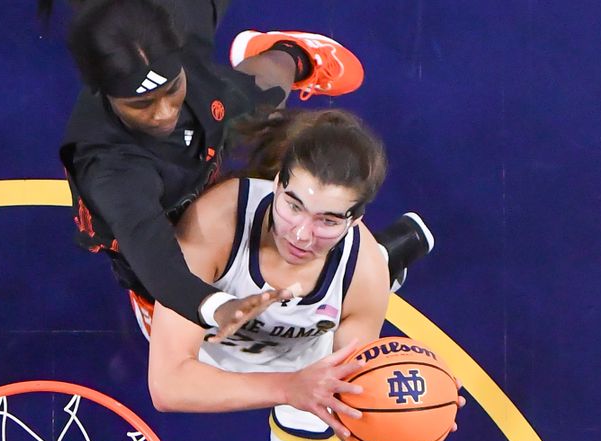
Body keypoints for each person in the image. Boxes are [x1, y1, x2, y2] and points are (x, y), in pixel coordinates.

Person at [146, 109, 456, 441]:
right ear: (276, 185)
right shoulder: (217, 222)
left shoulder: (362, 275)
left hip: (305, 362)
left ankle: (384, 258)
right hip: (204, 343)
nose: (301, 234)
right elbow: (169, 383)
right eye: (293, 205)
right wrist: (287, 389)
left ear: (356, 219)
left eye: (328, 220)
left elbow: (353, 397)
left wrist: (417, 404)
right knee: (149, 267)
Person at [51, 0, 432, 343]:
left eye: (171, 89)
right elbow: (153, 257)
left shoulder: (169, 24)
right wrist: (214, 306)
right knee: (221, 339)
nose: (164, 112)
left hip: (209, 123)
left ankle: (293, 53)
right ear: (106, 92)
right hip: (167, 234)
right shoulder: (111, 167)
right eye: (143, 103)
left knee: (264, 103)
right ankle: (372, 266)